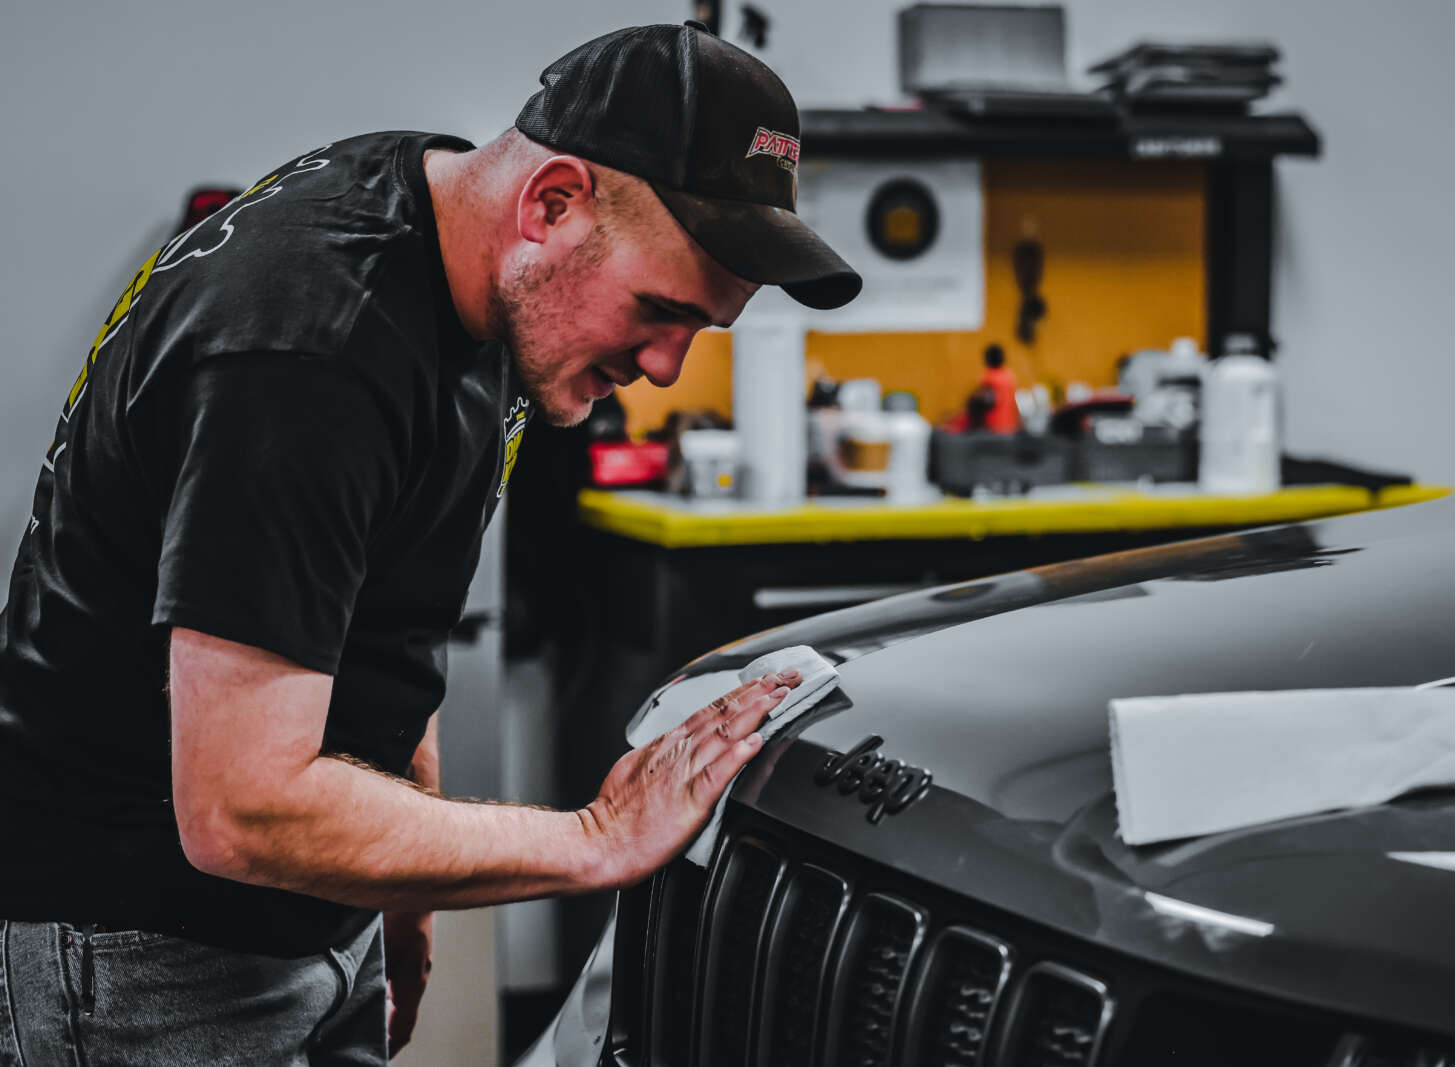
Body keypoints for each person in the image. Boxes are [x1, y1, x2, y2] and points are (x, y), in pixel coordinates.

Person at [0, 21, 858, 1066]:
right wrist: (596, 838)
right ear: (551, 202)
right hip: (141, 951)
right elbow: (240, 807)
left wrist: (404, 885)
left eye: (700, 331)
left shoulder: (467, 256)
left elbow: (376, 609)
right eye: (658, 309)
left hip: (309, 901)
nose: (670, 365)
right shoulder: (309, 351)